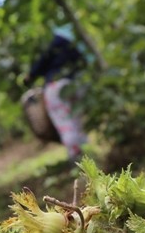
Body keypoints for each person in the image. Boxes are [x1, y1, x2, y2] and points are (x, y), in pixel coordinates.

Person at [23, 24, 93, 160]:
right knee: (77, 122)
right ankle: (89, 157)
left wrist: (29, 76)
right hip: (75, 85)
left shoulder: (54, 43)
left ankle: (78, 160)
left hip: (56, 87)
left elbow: (39, 65)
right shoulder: (76, 44)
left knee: (65, 124)